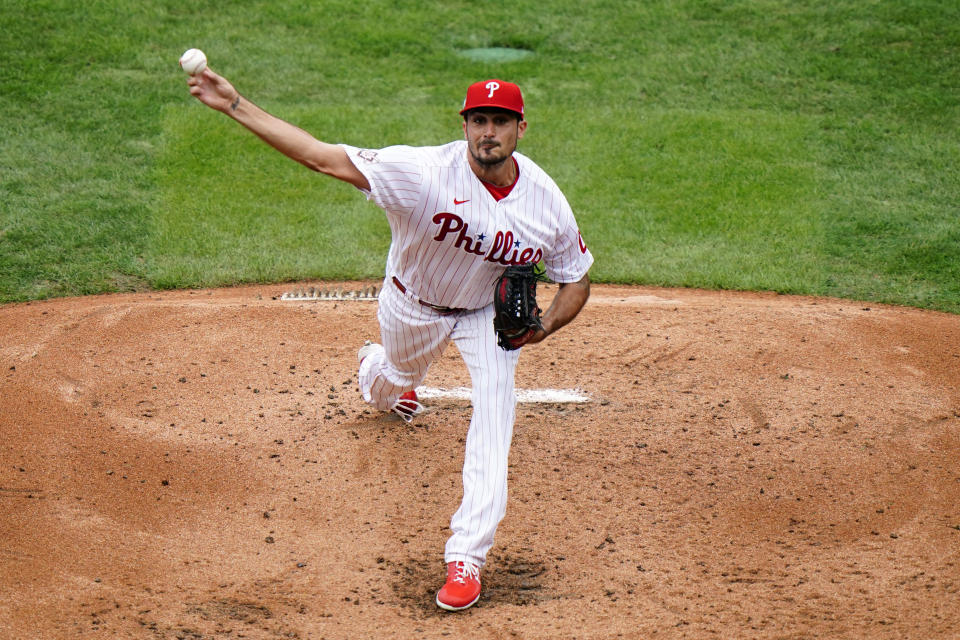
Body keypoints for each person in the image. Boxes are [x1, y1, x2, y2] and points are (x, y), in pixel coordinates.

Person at [186, 69, 593, 611]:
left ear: (521, 127)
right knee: (394, 382)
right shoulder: (422, 172)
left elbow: (577, 276)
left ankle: (466, 558)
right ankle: (375, 370)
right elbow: (320, 156)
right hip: (411, 306)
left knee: (495, 416)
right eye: (478, 120)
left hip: (482, 317)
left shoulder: (545, 201)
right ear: (464, 124)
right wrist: (236, 103)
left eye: (499, 121)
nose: (487, 131)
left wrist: (541, 331)